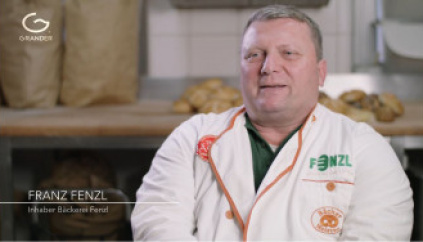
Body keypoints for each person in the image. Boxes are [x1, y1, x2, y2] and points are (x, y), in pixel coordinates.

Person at [131, 5, 413, 240]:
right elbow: (157, 223)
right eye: (254, 55)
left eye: (288, 53)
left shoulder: (365, 149)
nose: (269, 67)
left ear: (320, 73)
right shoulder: (192, 136)